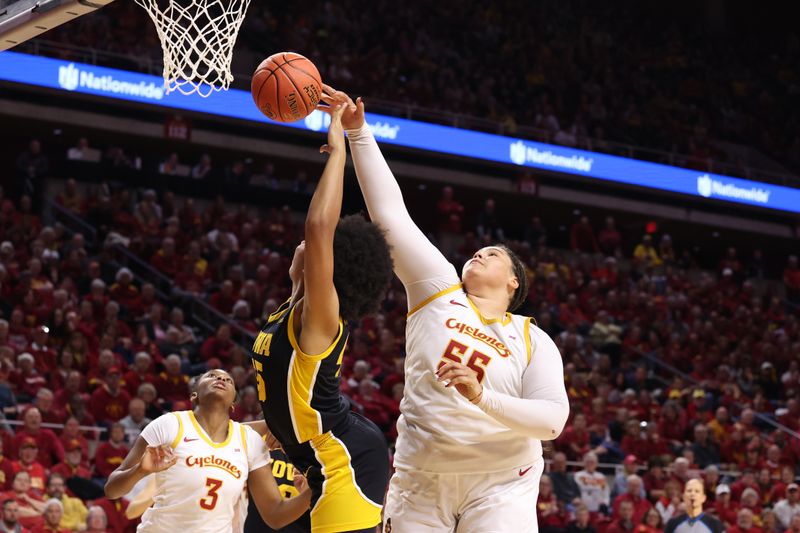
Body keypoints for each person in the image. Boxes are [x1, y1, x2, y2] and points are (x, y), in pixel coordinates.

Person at [321, 86, 569, 532]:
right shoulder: (438, 288)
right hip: (420, 477)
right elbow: (391, 216)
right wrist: (359, 134)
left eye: (492, 254)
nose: (479, 254)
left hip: (502, 482)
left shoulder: (534, 339)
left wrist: (481, 396)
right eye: (477, 250)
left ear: (514, 281)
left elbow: (552, 422)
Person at [248, 104, 393, 533]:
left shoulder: (323, 319)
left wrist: (336, 152)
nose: (307, 247)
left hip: (347, 459)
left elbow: (317, 226)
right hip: (316, 452)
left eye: (319, 253)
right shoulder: (292, 305)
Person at [104, 369, 310, 532]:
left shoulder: (249, 441)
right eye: (211, 375)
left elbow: (275, 514)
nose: (220, 379)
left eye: (228, 380)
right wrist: (140, 470)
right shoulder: (169, 424)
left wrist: (315, 488)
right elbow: (112, 489)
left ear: (233, 403)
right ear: (195, 394)